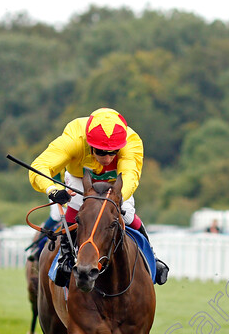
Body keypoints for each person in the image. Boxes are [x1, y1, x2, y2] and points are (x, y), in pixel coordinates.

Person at [28, 107, 169, 285]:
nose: (108, 158)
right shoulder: (74, 138)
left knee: (127, 212)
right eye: (101, 152)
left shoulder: (131, 141)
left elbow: (130, 177)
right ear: (89, 144)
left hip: (114, 181)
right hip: (80, 177)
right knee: (79, 208)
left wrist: (116, 199)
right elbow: (40, 166)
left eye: (113, 152)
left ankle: (151, 257)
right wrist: (52, 190)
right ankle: (65, 257)